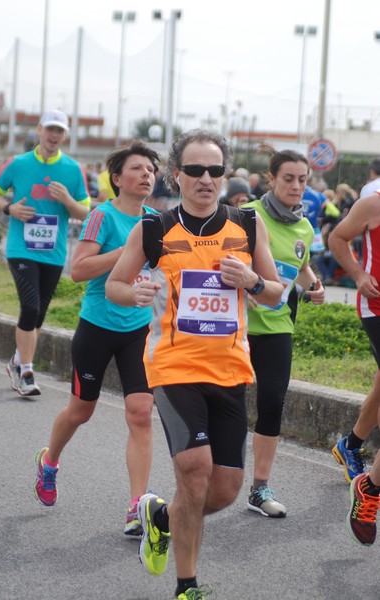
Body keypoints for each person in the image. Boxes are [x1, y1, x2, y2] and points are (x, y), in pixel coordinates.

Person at [106, 129, 283, 599]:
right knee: (196, 470)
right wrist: (135, 291)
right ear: (176, 174)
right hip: (172, 368)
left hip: (229, 370)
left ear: (225, 175)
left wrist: (250, 280)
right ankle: (188, 586)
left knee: (223, 489)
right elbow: (115, 286)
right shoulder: (154, 229)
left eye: (216, 170)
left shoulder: (247, 226)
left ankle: (160, 517)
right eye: (196, 170)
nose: (207, 179)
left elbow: (274, 293)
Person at [33, 140, 160, 538]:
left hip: (140, 329)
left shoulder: (157, 220)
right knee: (81, 411)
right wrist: (127, 251)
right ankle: (49, 462)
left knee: (140, 413)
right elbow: (79, 268)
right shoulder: (101, 216)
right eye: (137, 169)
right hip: (97, 328)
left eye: (151, 170)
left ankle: (137, 507)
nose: (146, 175)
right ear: (117, 178)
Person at [243, 145, 325, 518]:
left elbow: (301, 265)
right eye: (288, 179)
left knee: (273, 402)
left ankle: (259, 488)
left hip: (277, 325)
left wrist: (314, 286)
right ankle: (210, 475)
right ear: (271, 178)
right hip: (238, 326)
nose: (296, 187)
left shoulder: (305, 226)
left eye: (302, 180)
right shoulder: (247, 215)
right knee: (224, 404)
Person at [0, 109, 90, 396]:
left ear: (64, 135)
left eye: (60, 131)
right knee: (29, 307)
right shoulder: (18, 163)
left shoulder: (72, 169)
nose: (54, 135)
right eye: (50, 129)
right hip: (21, 249)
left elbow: (85, 209)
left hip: (53, 253)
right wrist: (9, 208)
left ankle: (17, 362)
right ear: (40, 129)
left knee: (39, 315)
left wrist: (67, 199)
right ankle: (27, 372)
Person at [328, 192, 380, 546]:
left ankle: (352, 445)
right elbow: (336, 237)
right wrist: (360, 275)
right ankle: (371, 487)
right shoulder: (373, 204)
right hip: (377, 305)